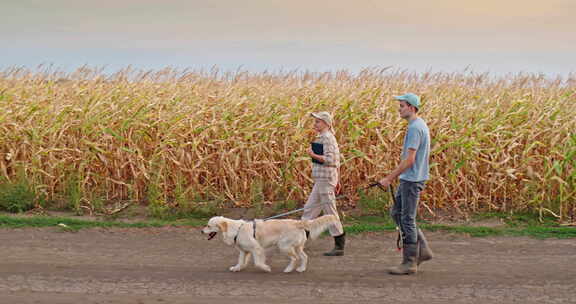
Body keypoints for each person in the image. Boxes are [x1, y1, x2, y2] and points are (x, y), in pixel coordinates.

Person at [378, 93, 434, 275]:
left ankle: (409, 262)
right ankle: (423, 249)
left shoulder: (415, 128)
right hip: (409, 179)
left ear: (411, 107)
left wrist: (389, 178)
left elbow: (409, 160)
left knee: (407, 219)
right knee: (397, 213)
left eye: (401, 105)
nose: (399, 108)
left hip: (412, 180)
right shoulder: (418, 125)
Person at [302, 111, 346, 256]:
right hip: (322, 180)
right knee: (309, 209)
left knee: (330, 212)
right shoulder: (322, 137)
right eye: (315, 121)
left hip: (326, 180)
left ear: (326, 123)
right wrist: (338, 179)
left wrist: (313, 155)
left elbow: (331, 160)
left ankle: (339, 243)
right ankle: (300, 239)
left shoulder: (327, 138)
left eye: (318, 122)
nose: (315, 124)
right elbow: (337, 160)